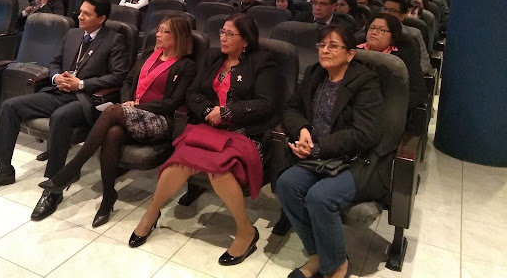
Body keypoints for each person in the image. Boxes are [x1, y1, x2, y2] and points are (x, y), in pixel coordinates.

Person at [130, 14, 278, 267]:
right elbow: (193, 93)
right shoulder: (213, 57)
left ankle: (246, 231)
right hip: (210, 127)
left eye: (230, 34)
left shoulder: (263, 62)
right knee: (179, 162)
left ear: (245, 40)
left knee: (219, 168)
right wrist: (209, 110)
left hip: (247, 132)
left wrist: (227, 113)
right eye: (222, 32)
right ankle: (151, 214)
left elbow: (265, 104)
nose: (223, 37)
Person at [0, 0, 130, 222]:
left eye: (87, 14)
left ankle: (54, 188)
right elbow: (55, 62)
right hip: (59, 92)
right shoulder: (73, 34)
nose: (80, 16)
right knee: (10, 106)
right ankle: (3, 169)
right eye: (81, 11)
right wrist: (56, 77)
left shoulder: (114, 40)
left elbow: (118, 76)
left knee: (60, 117)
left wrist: (81, 83)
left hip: (87, 100)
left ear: (101, 18)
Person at [38, 16, 196, 227]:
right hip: (132, 112)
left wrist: (136, 107)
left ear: (178, 36)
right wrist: (128, 101)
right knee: (112, 134)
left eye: (165, 31)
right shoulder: (149, 54)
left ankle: (72, 168)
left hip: (160, 120)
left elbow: (173, 102)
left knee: (113, 111)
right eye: (158, 29)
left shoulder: (187, 66)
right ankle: (108, 197)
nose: (157, 34)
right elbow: (128, 81)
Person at [277, 24, 387, 278]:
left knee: (320, 197)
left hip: (355, 161)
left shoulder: (365, 82)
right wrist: (303, 130)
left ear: (350, 54)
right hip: (318, 157)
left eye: (333, 46)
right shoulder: (315, 73)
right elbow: (291, 108)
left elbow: (365, 134)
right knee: (287, 185)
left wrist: (317, 148)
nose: (325, 50)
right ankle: (321, 257)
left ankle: (338, 267)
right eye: (322, 45)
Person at [357, 14, 428, 110]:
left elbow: (418, 92)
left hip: (390, 109)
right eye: (372, 28)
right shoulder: (354, 51)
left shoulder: (405, 54)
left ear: (393, 35)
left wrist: (393, 109)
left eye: (381, 30)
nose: (374, 32)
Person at [382, 0, 434, 75]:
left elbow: (424, 64)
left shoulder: (414, 34)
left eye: (392, 11)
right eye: (385, 9)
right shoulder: (370, 30)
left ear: (402, 16)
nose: (386, 13)